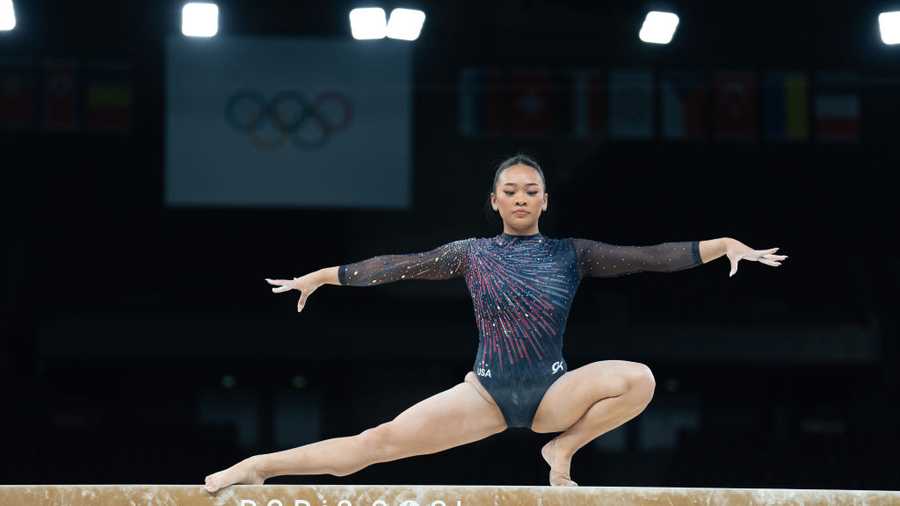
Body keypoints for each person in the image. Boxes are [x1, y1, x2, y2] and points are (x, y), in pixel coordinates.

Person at [203, 154, 787, 492]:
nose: (521, 198)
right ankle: (259, 466)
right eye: (510, 191)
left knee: (639, 378)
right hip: (483, 393)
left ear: (545, 199)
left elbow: (648, 256)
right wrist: (326, 275)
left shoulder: (572, 253)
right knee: (371, 446)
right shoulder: (472, 252)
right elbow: (399, 267)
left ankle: (562, 452)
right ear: (494, 201)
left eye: (531, 190)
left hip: (554, 394)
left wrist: (720, 244)